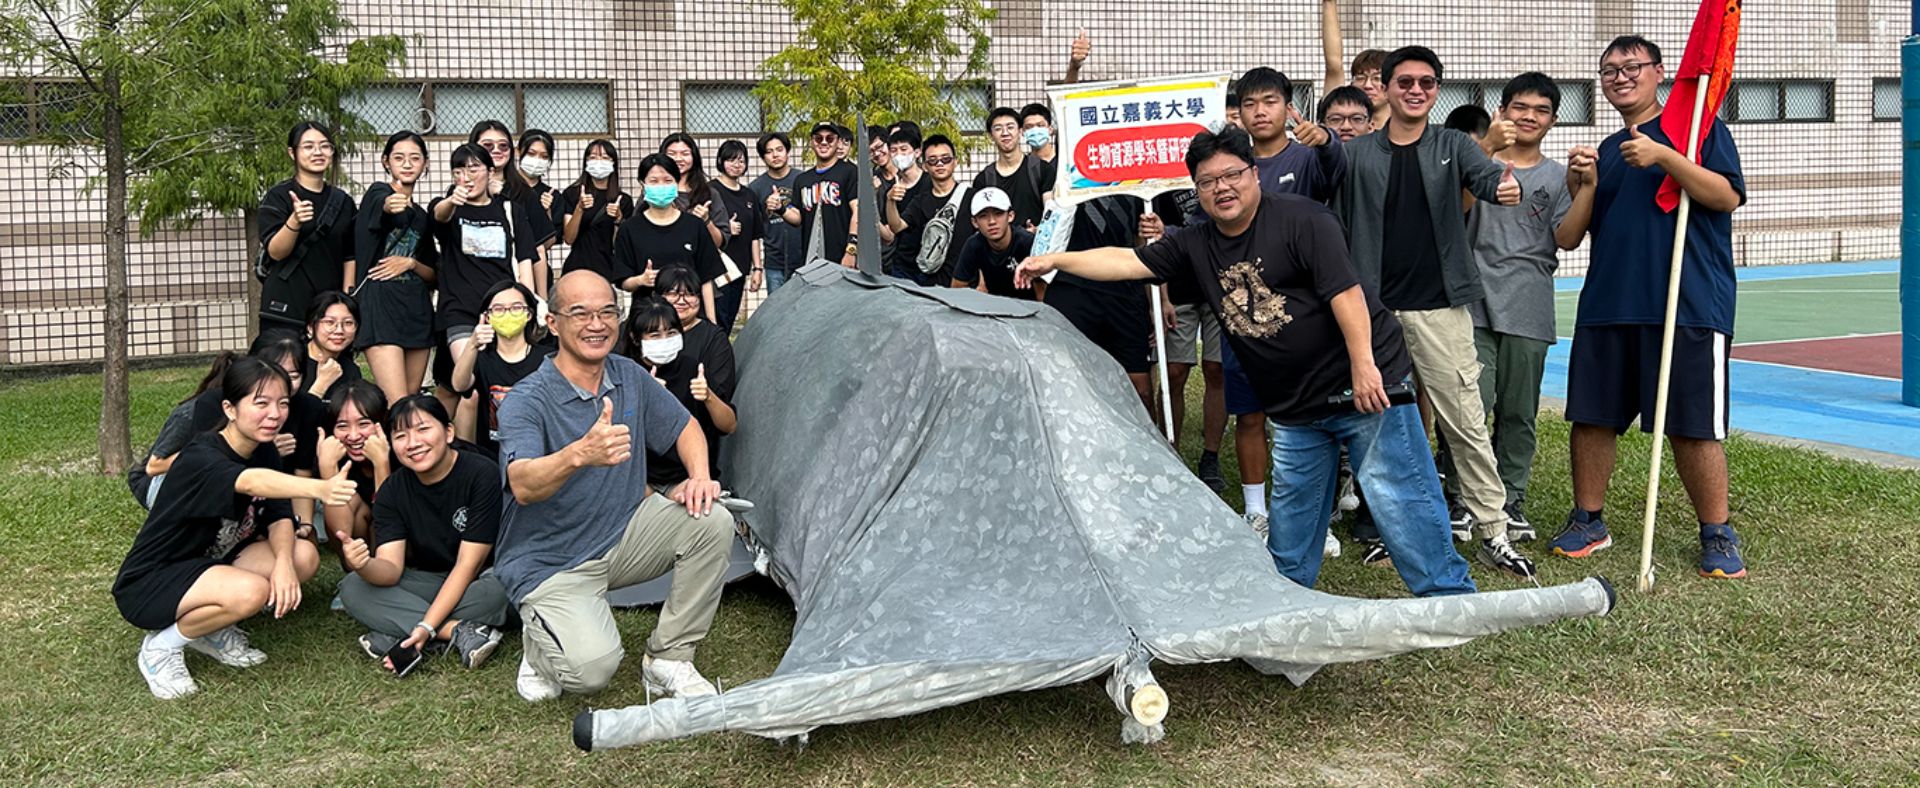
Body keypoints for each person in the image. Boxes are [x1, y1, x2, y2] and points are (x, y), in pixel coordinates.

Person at [1014, 128, 1476, 599]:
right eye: (1208, 181)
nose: (1221, 187)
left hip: (1360, 386)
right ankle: (1285, 602)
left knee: (1401, 495)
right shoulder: (1195, 242)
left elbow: (1346, 292)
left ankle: (1450, 596)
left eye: (1232, 174)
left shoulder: (1303, 220)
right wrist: (1053, 259)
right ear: (1197, 190)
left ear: (1254, 174)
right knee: (1293, 511)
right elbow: (1127, 262)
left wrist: (1364, 365)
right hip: (1295, 405)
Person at [1329, 46, 1535, 580]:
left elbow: (1487, 176)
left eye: (1426, 82)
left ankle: (1493, 529)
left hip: (1441, 309)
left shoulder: (1451, 145)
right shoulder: (1358, 154)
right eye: (1405, 82)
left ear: (1437, 90)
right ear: (1389, 88)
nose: (1415, 90)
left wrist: (1503, 185)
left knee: (1463, 419)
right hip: (1374, 312)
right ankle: (1388, 530)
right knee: (1379, 425)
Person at [1551, 36, 1748, 579]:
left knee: (1693, 426)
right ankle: (1589, 519)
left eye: (1630, 66)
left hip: (1686, 305)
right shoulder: (1609, 151)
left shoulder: (1698, 132)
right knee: (1592, 418)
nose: (1619, 76)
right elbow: (1568, 238)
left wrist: (1666, 157)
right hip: (1609, 304)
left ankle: (1717, 532)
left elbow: (1726, 196)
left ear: (1659, 72)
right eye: (1608, 69)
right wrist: (1583, 185)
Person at [497, 270, 735, 701]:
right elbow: (523, 484)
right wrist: (579, 454)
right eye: (580, 313)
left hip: (622, 534)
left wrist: (699, 477)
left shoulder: (628, 375)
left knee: (711, 520)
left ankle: (668, 659)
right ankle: (540, 644)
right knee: (591, 672)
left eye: (608, 311)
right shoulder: (527, 399)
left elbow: (686, 428)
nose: (596, 323)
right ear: (553, 323)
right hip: (552, 561)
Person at [113, 356, 348, 699]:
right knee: (251, 592)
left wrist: (283, 566)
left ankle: (211, 630)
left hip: (211, 563)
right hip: (153, 580)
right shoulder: (201, 456)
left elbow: (279, 514)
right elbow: (251, 481)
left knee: (302, 558)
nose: (274, 413)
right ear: (230, 408)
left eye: (282, 403)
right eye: (261, 403)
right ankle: (161, 648)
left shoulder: (263, 448)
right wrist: (320, 489)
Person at [1443, 73, 1583, 544]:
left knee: (1518, 412)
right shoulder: (1475, 160)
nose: (1529, 117)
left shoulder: (1558, 176)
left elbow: (1566, 238)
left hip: (1529, 303)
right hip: (1473, 301)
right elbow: (1453, 210)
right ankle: (1463, 498)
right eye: (1519, 107)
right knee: (1470, 407)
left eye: (1540, 110)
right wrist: (1484, 149)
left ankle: (1510, 500)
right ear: (1501, 110)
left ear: (1553, 121)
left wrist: (1590, 188)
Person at [335, 394, 512, 670]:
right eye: (401, 435)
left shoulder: (481, 472)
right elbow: (391, 569)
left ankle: (399, 629)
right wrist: (364, 565)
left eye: (423, 429)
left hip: (484, 576)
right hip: (432, 579)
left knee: (502, 589)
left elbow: (469, 564)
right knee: (354, 587)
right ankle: (457, 632)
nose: (413, 443)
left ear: (449, 432)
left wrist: (426, 625)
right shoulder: (392, 491)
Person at [430, 142, 544, 443]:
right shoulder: (449, 208)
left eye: (474, 168)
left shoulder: (509, 210)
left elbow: (524, 258)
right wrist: (452, 201)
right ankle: (469, 460)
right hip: (461, 312)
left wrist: (528, 302)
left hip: (505, 309)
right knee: (468, 387)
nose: (466, 176)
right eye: (459, 170)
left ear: (490, 171)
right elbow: (438, 216)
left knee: (507, 382)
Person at [187, 331, 330, 533]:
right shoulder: (213, 403)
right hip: (219, 499)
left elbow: (302, 470)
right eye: (275, 371)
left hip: (278, 499)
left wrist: (305, 525)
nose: (284, 383)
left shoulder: (309, 407)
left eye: (294, 375)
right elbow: (207, 473)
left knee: (304, 553)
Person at [353, 130, 438, 406]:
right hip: (380, 308)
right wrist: (392, 204)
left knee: (411, 400)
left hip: (416, 309)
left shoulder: (424, 217)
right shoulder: (378, 192)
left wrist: (410, 263)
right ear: (386, 161)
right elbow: (385, 205)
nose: (407, 163)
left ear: (425, 163)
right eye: (399, 157)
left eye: (415, 158)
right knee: (395, 401)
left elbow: (432, 273)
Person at [625, 293, 737, 495]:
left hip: (685, 478)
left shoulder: (692, 368)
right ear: (635, 337)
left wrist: (708, 396)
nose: (664, 340)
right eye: (655, 335)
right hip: (637, 480)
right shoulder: (626, 372)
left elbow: (729, 425)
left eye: (671, 333)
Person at [257, 121, 356, 331]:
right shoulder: (278, 196)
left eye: (325, 146)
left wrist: (346, 300)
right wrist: (294, 221)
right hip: (286, 302)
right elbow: (275, 252)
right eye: (308, 146)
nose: (318, 152)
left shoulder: (343, 201)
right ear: (292, 153)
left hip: (328, 309)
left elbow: (350, 255)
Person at [611, 153, 723, 322]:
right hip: (648, 320)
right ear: (642, 184)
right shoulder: (630, 229)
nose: (661, 186)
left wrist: (711, 321)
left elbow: (707, 278)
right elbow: (623, 281)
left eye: (668, 180)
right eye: (654, 181)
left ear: (677, 183)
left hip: (690, 318)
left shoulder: (694, 225)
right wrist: (641, 280)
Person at [453, 281, 557, 460]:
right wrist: (472, 344)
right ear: (487, 316)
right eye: (499, 309)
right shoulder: (480, 358)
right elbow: (460, 385)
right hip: (492, 455)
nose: (508, 314)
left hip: (539, 454)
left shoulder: (548, 359)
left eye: (516, 307)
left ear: (529, 314)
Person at [470, 122, 558, 300]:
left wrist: (540, 300)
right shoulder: (461, 192)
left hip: (515, 287)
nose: (496, 150)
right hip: (471, 286)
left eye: (503, 146)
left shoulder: (522, 191)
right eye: (488, 145)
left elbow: (541, 244)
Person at [1237, 67, 1346, 202]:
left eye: (1270, 102)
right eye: (1250, 104)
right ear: (1240, 114)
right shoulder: (1235, 165)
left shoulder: (1309, 159)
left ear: (1289, 110)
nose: (1260, 111)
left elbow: (1335, 162)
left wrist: (1326, 139)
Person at [317, 381, 390, 551]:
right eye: (342, 426)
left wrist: (381, 464)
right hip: (359, 544)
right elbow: (340, 534)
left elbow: (390, 522)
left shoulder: (403, 451)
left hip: (404, 543)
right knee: (349, 497)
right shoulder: (334, 454)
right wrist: (327, 467)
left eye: (364, 424)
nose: (354, 435)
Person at [784, 122, 859, 269]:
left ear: (838, 142)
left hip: (843, 257)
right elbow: (798, 217)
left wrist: (851, 250)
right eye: (819, 139)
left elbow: (858, 211)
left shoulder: (850, 172)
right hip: (812, 259)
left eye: (829, 138)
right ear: (812, 142)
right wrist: (780, 209)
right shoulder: (802, 179)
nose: (824, 142)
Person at [708, 140, 764, 332]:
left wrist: (757, 268)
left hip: (739, 268)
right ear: (721, 161)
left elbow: (755, 235)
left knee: (729, 319)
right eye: (731, 160)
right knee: (717, 320)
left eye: (741, 160)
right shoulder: (710, 190)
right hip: (716, 269)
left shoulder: (749, 195)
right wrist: (724, 227)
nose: (736, 165)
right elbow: (699, 224)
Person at [559, 139, 632, 285]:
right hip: (576, 269)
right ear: (585, 162)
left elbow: (620, 246)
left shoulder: (623, 200)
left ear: (613, 163)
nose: (599, 162)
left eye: (605, 158)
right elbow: (569, 238)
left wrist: (619, 219)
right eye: (593, 157)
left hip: (608, 272)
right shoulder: (572, 194)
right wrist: (579, 208)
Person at [974, 107, 1055, 233]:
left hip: (1037, 248)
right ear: (991, 136)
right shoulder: (984, 179)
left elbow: (1051, 213)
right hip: (1000, 250)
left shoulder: (1042, 169)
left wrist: (1040, 230)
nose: (1005, 133)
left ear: (1020, 131)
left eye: (1010, 127)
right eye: (998, 129)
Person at [951, 187, 1040, 301]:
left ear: (1010, 216)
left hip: (1030, 308)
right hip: (994, 309)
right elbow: (957, 289)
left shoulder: (1027, 243)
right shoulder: (973, 245)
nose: (992, 221)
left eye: (998, 214)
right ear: (975, 222)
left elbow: (1043, 292)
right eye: (983, 216)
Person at [881, 123, 939, 285]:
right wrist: (890, 200)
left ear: (917, 152)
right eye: (894, 150)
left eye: (904, 149)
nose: (899, 154)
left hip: (931, 263)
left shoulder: (931, 183)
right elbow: (893, 228)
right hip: (902, 264)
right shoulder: (891, 188)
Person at [749, 132, 802, 294]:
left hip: (804, 260)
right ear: (763, 157)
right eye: (769, 151)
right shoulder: (756, 187)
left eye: (779, 149)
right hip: (774, 263)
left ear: (787, 151)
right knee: (777, 314)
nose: (775, 155)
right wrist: (757, 268)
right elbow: (754, 233)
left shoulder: (802, 179)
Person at [661, 132, 729, 253]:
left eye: (685, 154)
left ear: (694, 157)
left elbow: (720, 242)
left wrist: (706, 220)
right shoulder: (654, 193)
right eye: (672, 154)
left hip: (698, 267)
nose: (678, 158)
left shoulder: (709, 194)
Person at [516, 129, 565, 294]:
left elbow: (550, 242)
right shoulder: (506, 188)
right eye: (531, 153)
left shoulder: (552, 195)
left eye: (544, 157)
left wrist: (546, 212)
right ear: (518, 151)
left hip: (539, 271)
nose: (537, 160)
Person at [300, 291, 363, 401]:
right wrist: (322, 383)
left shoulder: (351, 370)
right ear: (310, 327)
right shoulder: (292, 362)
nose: (339, 330)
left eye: (348, 323)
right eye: (330, 322)